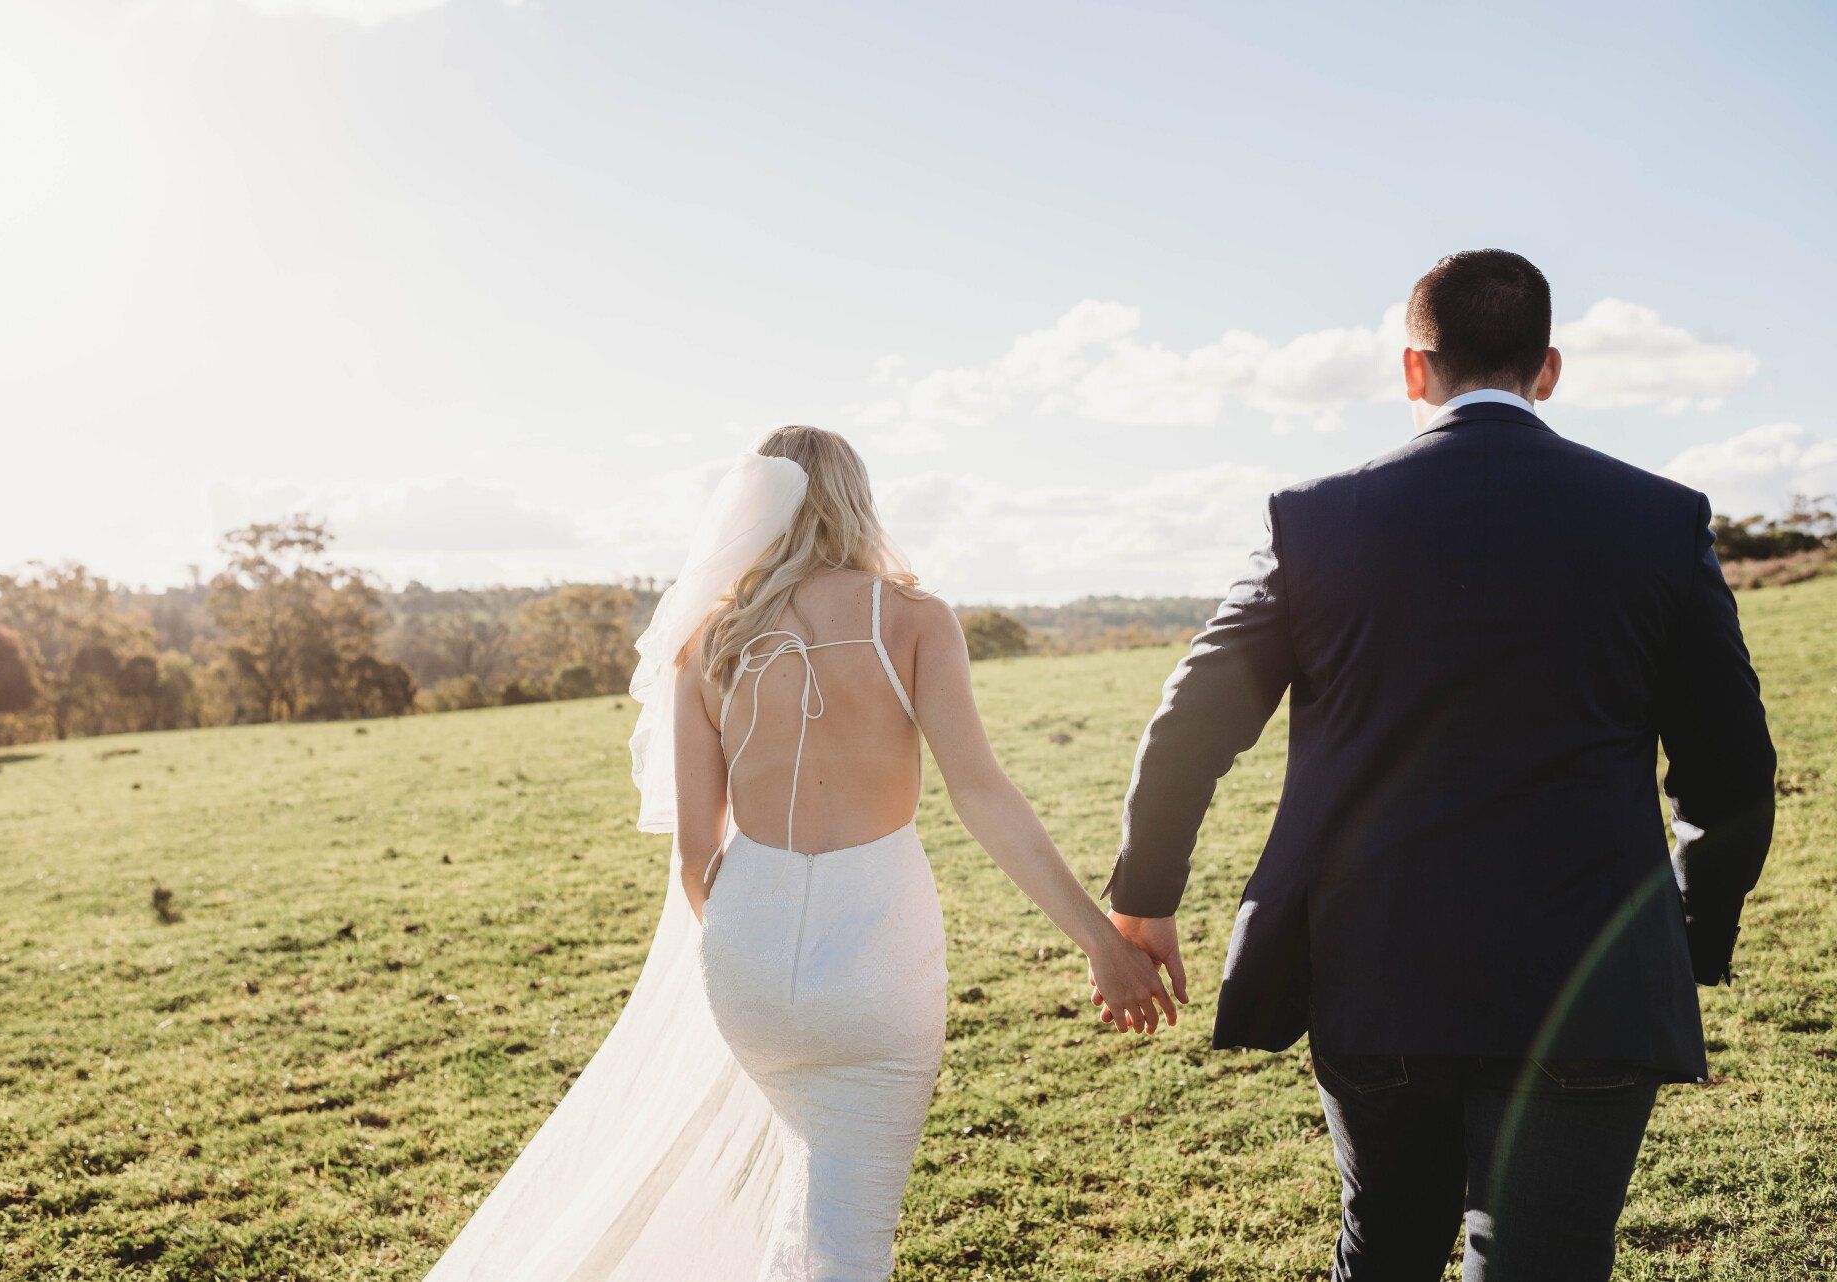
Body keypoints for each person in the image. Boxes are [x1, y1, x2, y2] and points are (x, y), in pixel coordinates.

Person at [1099, 249, 1777, 1281]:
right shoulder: (1660, 519)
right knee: (1544, 1262)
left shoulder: (1313, 521)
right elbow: (1731, 764)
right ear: (1548, 369)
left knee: (1387, 1251)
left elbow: (1194, 717)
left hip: (1375, 966)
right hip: (1590, 976)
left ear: (1413, 370)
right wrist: (1694, 923)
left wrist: (1146, 895)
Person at [426, 425, 1169, 1282]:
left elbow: (696, 857)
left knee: (805, 1207)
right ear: (853, 497)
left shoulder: (710, 642)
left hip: (746, 956)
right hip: (875, 956)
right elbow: (982, 796)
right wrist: (1103, 944)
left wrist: (761, 940)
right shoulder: (914, 620)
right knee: (847, 1242)